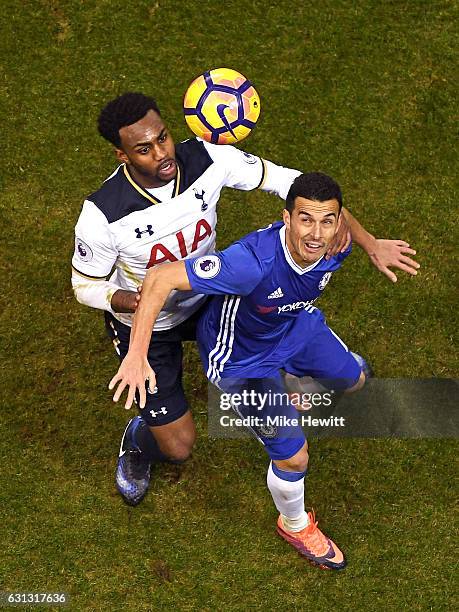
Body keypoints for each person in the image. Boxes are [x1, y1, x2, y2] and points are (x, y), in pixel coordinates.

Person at [71, 92, 420, 507]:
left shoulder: (210, 158)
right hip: (150, 318)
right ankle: (140, 440)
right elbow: (85, 286)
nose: (162, 154)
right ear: (121, 155)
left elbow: (302, 190)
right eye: (144, 149)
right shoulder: (102, 215)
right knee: (178, 447)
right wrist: (134, 308)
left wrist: (368, 242)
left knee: (264, 319)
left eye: (163, 138)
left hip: (208, 294)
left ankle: (294, 371)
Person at [109, 172, 419, 570]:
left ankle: (294, 377)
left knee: (355, 381)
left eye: (327, 221)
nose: (316, 234)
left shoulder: (334, 240)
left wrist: (372, 244)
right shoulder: (251, 264)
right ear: (286, 219)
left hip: (296, 327)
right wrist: (137, 353)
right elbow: (160, 278)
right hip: (242, 361)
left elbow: (343, 220)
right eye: (305, 219)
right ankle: (294, 524)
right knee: (294, 458)